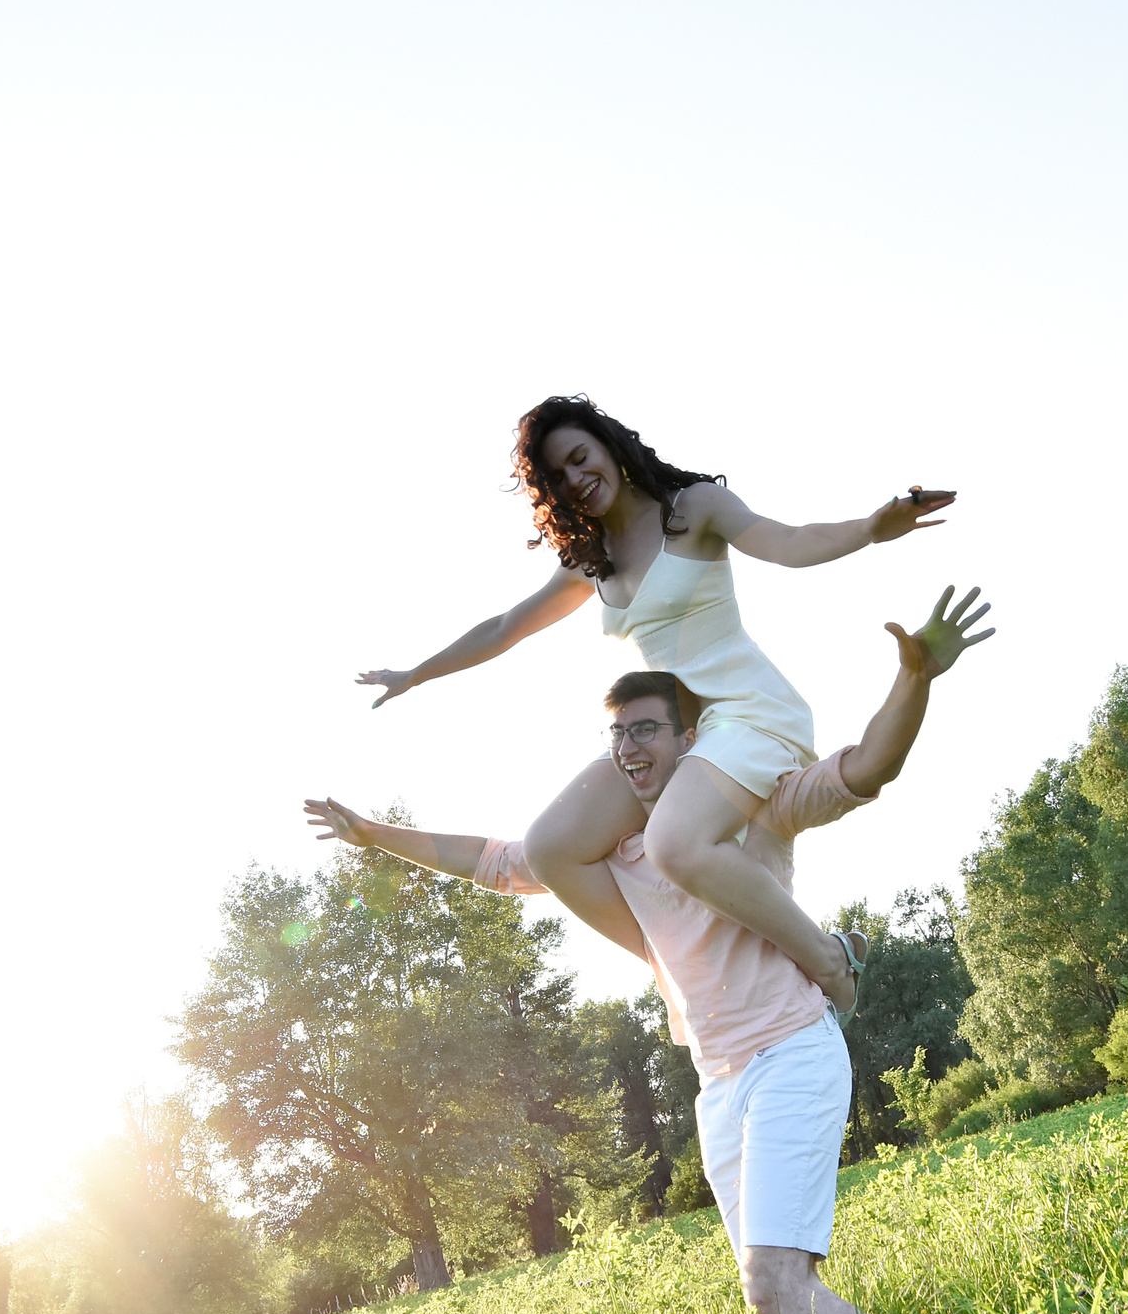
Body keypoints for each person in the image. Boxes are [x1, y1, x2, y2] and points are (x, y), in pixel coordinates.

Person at [310, 584, 993, 1314]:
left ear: (691, 739)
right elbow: (490, 862)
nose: (629, 750)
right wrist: (371, 836)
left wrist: (916, 677)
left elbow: (868, 766)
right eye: (617, 738)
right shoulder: (603, 853)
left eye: (646, 732)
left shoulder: (749, 814)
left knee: (774, 1287)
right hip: (717, 1083)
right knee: (775, 1292)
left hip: (791, 1053)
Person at [354, 395, 951, 1016]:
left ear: (609, 445)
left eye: (580, 458)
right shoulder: (591, 561)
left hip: (747, 713)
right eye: (559, 477)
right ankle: (677, 961)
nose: (577, 480)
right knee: (553, 846)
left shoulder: (692, 509)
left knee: (673, 844)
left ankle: (829, 960)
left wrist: (871, 530)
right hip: (678, 728)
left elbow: (789, 542)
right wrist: (416, 673)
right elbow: (505, 625)